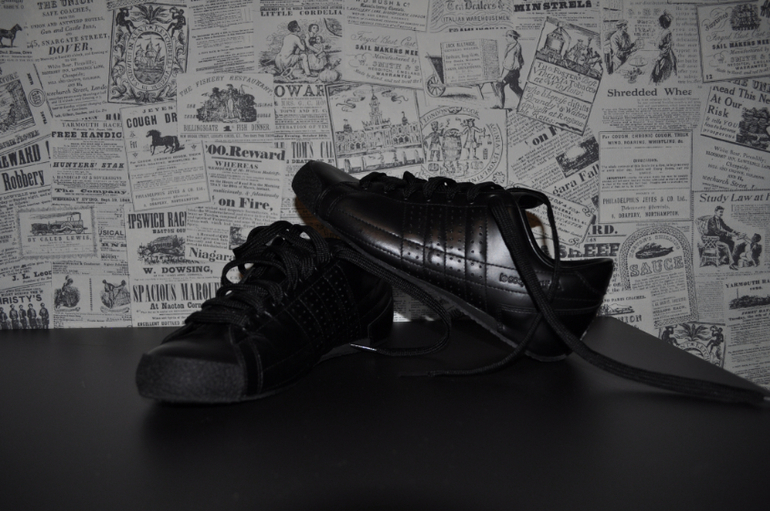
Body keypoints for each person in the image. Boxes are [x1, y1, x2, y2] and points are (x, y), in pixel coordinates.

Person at [498, 30, 524, 108]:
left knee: (499, 85)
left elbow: (509, 64)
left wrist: (502, 77)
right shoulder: (517, 45)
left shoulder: (513, 48)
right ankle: (525, 101)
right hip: (515, 72)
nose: (506, 38)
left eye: (507, 36)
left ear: (512, 37)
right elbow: (521, 61)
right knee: (514, 86)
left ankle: (500, 105)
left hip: (511, 72)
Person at [650, 12, 677, 84]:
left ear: (662, 24)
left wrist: (659, 57)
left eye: (659, 23)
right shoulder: (665, 32)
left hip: (665, 57)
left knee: (658, 73)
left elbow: (665, 47)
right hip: (664, 54)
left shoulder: (666, 33)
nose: (658, 24)